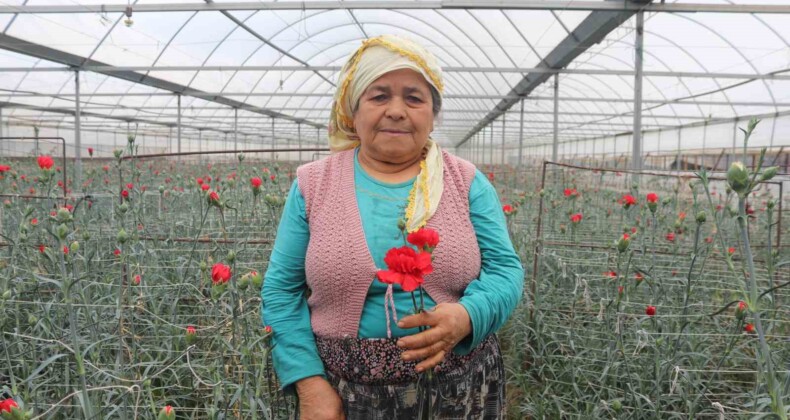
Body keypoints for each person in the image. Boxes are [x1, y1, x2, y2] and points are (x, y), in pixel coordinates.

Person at [262, 34, 524, 419]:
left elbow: (505, 271)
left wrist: (467, 317)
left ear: (433, 114)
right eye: (379, 96)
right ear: (353, 111)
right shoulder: (313, 184)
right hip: (341, 395)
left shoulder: (465, 181)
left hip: (457, 391)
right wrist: (309, 382)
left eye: (414, 98)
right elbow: (281, 290)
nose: (397, 111)